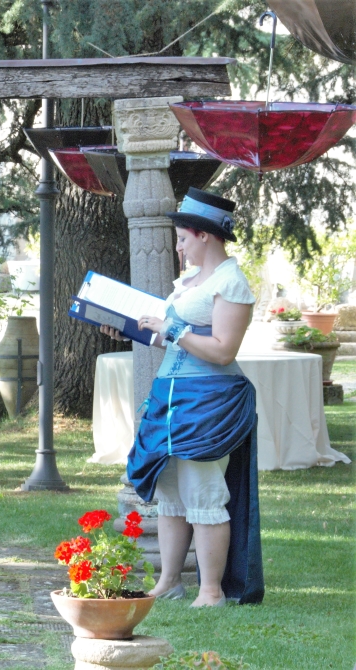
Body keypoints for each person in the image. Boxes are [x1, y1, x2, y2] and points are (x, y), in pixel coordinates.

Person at [102, 187, 264, 607]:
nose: (178, 246)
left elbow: (224, 349)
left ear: (205, 235)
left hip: (209, 400)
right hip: (171, 397)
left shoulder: (231, 282)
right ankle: (169, 581)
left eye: (183, 238)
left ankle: (210, 590)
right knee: (171, 491)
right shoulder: (189, 283)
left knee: (204, 490)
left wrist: (172, 329)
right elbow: (177, 344)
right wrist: (132, 330)